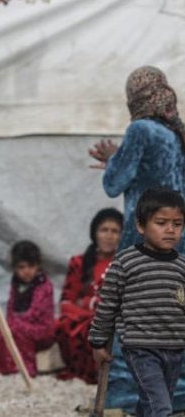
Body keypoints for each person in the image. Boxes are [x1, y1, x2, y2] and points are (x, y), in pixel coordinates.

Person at [89, 65, 185, 412]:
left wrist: (113, 160)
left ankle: (127, 394)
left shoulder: (140, 129)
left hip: (141, 238)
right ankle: (175, 393)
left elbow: (114, 183)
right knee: (172, 314)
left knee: (131, 315)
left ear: (135, 97)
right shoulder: (176, 134)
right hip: (177, 238)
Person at [89, 188, 185, 417]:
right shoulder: (126, 262)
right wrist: (98, 341)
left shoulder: (182, 266)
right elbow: (108, 305)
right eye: (161, 223)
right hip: (140, 348)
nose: (170, 229)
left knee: (151, 400)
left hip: (175, 348)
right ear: (141, 226)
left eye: (177, 224)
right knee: (161, 406)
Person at [55, 208, 123, 383]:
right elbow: (66, 301)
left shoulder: (124, 263)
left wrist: (92, 306)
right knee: (65, 324)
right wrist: (90, 313)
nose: (109, 236)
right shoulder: (79, 262)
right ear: (95, 233)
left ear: (121, 236)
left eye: (115, 231)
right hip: (84, 318)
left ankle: (109, 374)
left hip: (113, 318)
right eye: (104, 230)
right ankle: (86, 373)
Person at [0, 240, 54, 376]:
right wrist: (8, 322)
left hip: (41, 329)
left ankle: (24, 368)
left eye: (31, 266)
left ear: (38, 266)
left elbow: (35, 313)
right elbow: (11, 307)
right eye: (21, 267)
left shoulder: (43, 285)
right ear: (15, 268)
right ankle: (2, 366)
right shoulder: (16, 284)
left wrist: (13, 322)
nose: (26, 271)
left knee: (15, 328)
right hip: (19, 324)